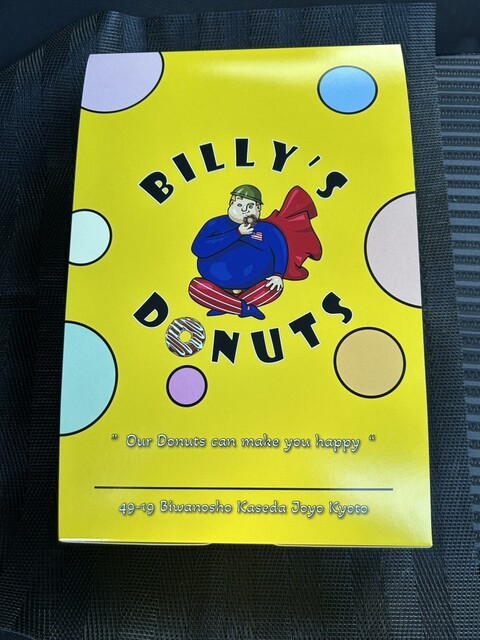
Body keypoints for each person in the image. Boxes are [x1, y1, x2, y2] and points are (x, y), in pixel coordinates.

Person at [189, 185, 288, 320]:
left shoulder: (268, 229)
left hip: (254, 289)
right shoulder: (215, 224)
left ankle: (224, 304)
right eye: (240, 205)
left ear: (258, 209)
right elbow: (198, 248)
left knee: (275, 288)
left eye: (250, 206)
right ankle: (245, 308)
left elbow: (280, 252)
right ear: (231, 204)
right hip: (216, 287)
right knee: (196, 287)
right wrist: (237, 233)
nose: (244, 210)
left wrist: (278, 275)